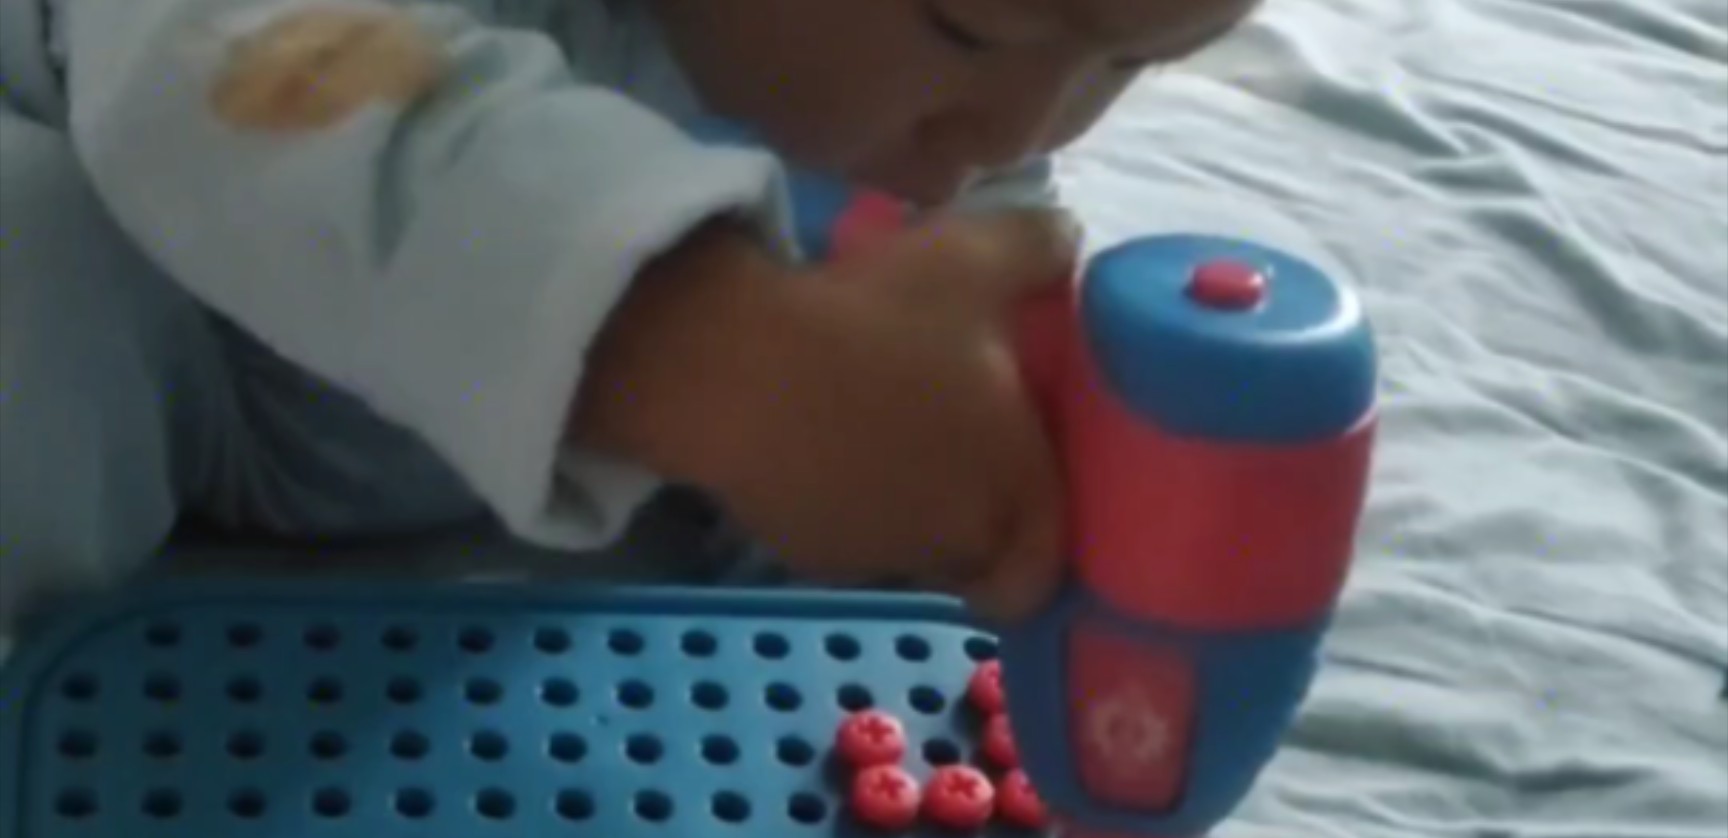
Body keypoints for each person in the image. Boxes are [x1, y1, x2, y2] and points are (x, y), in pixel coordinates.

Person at [0, 0, 1256, 639]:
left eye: (1135, 57)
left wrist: (962, 509)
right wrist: (714, 354)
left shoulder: (939, 138)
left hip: (473, 490)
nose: (1019, 129)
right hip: (185, 345)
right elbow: (219, 63)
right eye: (967, 24)